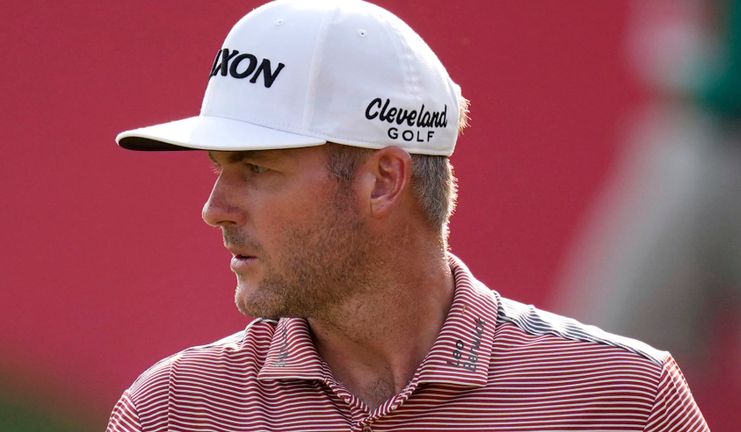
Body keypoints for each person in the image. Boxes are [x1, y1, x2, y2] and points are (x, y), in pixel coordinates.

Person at [107, 1, 709, 431]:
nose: (215, 209)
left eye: (257, 169)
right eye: (218, 168)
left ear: (384, 180)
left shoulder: (622, 400)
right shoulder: (171, 411)